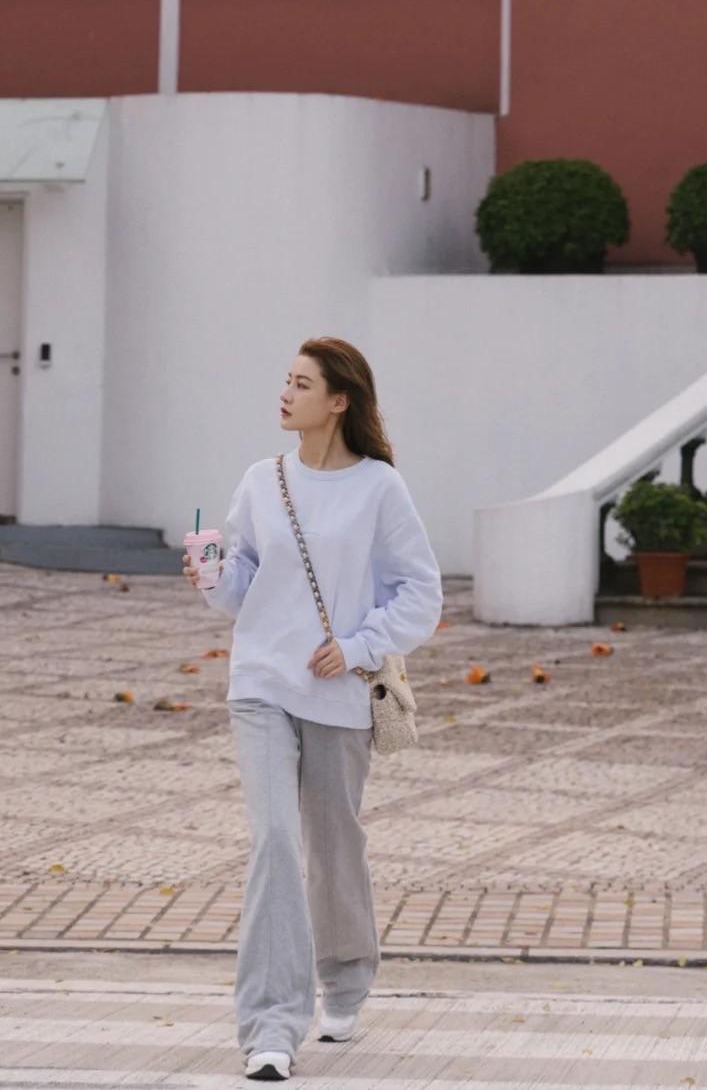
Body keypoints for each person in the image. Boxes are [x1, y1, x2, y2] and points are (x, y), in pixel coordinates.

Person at [182, 336, 443, 1082]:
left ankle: (348, 975)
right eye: (286, 380)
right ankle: (271, 1025)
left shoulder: (379, 488)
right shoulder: (261, 481)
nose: (286, 393)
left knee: (333, 846)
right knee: (273, 840)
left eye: (302, 384)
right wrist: (211, 575)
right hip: (260, 683)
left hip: (335, 693)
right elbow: (242, 589)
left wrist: (359, 647)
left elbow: (422, 595)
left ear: (338, 400)